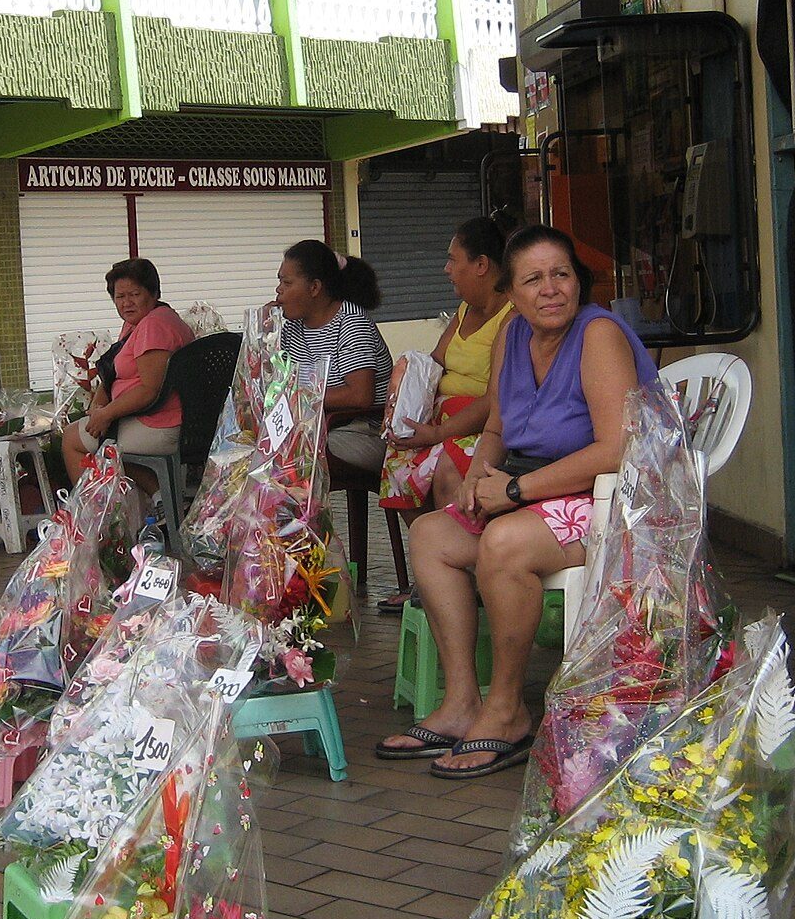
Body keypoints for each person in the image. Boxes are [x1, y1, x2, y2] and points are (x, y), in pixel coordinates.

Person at [376, 225, 657, 779]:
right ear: (513, 293)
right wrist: (475, 481)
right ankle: (461, 703)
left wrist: (514, 491)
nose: (550, 289)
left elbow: (617, 448)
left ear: (579, 282)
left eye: (561, 274)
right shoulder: (515, 338)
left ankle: (505, 711)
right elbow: (499, 430)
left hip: (607, 501)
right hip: (530, 491)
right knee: (432, 534)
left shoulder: (597, 334)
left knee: (503, 544)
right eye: (533, 279)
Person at [377, 216, 515, 611]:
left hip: (478, 426)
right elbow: (435, 363)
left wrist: (440, 434)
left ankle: (459, 573)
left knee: (443, 466)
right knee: (399, 460)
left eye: (454, 260)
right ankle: (431, 569)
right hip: (443, 420)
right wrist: (404, 380)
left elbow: (496, 399)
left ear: (482, 265)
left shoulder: (512, 319)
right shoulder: (463, 310)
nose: (447, 269)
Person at [60, 258, 195, 491]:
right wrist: (99, 405)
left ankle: (95, 515)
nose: (126, 303)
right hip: (152, 418)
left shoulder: (154, 326)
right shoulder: (140, 322)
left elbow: (148, 390)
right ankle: (157, 502)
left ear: (153, 293)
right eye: (119, 297)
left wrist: (106, 415)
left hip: (160, 423)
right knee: (96, 435)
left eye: (134, 294)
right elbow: (115, 372)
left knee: (72, 439)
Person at [274, 240, 392, 474]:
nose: (279, 290)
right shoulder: (290, 328)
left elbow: (360, 396)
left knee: (289, 456)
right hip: (317, 425)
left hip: (364, 430)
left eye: (287, 283)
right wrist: (266, 333)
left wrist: (300, 399)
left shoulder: (351, 322)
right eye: (279, 281)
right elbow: (276, 385)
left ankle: (296, 510)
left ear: (314, 288)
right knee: (253, 447)